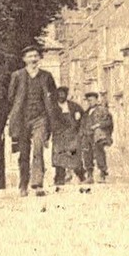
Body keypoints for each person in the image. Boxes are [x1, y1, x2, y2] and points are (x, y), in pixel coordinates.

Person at [6, 45, 56, 196]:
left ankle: (37, 184)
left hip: (40, 118)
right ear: (24, 59)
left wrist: (49, 113)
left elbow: (52, 95)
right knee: (24, 152)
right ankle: (23, 185)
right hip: (22, 119)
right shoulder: (17, 75)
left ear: (39, 58)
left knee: (39, 148)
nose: (33, 59)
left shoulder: (46, 76)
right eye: (30, 56)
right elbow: (10, 97)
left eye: (35, 56)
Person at [49, 85, 87, 188]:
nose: (61, 96)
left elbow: (83, 117)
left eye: (63, 94)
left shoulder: (74, 106)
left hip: (72, 135)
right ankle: (59, 178)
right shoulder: (52, 107)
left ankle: (82, 176)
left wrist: (79, 129)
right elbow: (49, 122)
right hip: (59, 136)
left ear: (66, 95)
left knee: (73, 155)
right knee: (59, 156)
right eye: (59, 94)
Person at [81, 91, 114, 183]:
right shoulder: (87, 112)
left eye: (91, 100)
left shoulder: (102, 110)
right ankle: (89, 176)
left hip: (97, 136)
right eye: (88, 101)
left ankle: (102, 175)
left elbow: (108, 122)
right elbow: (83, 123)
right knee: (87, 155)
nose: (89, 102)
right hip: (87, 135)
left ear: (96, 100)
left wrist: (98, 125)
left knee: (99, 154)